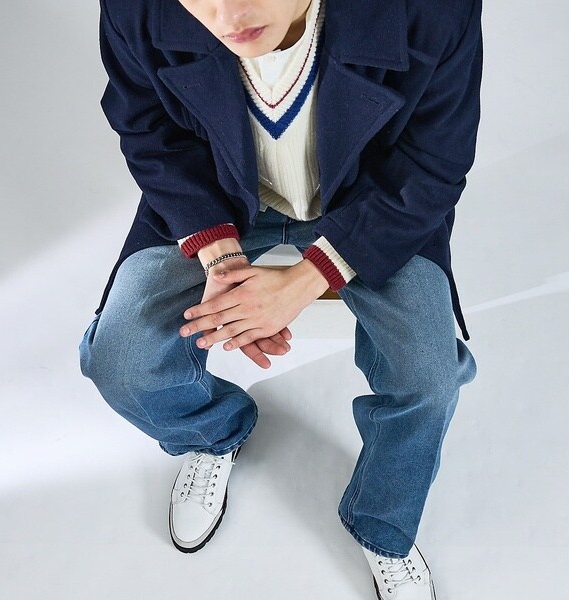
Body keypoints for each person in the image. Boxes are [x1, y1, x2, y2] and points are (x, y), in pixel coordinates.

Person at [80, 0, 482, 597]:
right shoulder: (137, 6)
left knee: (428, 380)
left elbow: (435, 164)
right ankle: (213, 433)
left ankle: (383, 524)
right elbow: (146, 129)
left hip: (373, 206)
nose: (226, 15)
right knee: (120, 360)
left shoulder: (432, 10)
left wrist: (308, 278)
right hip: (217, 195)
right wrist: (218, 253)